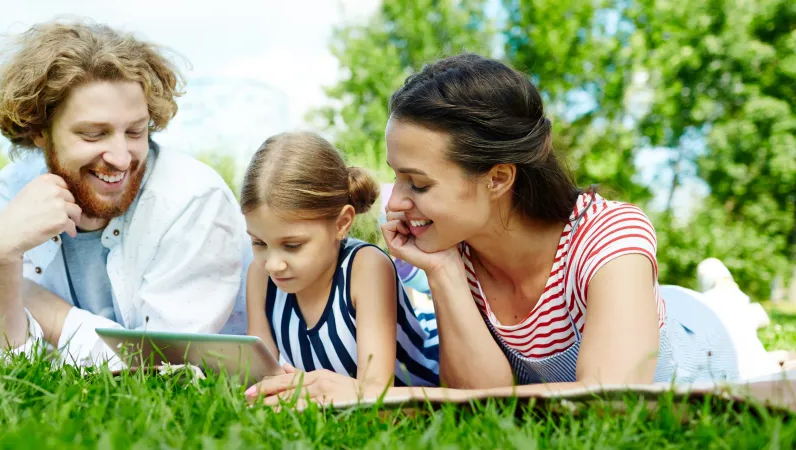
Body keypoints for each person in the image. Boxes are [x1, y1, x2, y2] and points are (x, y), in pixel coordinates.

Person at [246, 52, 740, 407]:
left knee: (732, 321)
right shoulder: (454, 250)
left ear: (499, 177)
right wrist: (441, 271)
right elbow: (476, 399)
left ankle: (731, 303)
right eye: (398, 177)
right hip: (638, 311)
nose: (395, 202)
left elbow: (607, 399)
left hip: (704, 344)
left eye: (417, 183)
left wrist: (375, 395)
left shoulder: (610, 236)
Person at [0, 19, 251, 367]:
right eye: (93, 135)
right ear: (40, 130)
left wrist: (29, 299)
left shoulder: (193, 201)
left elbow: (165, 369)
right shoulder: (13, 190)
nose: (120, 158)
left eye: (135, 131)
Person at [240, 131, 440, 389]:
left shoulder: (366, 267)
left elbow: (375, 390)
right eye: (258, 243)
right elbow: (258, 376)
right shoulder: (261, 275)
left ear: (342, 223)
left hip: (424, 384)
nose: (273, 264)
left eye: (292, 245)